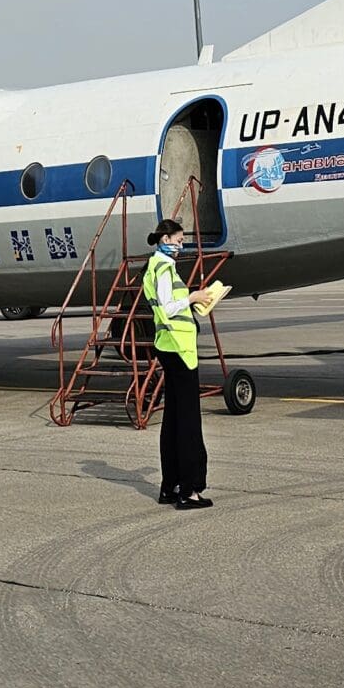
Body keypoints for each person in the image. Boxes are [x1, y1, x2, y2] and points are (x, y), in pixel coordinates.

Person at [142, 218, 210, 509]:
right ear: (165, 238)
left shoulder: (155, 266)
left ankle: (169, 487)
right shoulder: (164, 268)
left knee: (172, 420)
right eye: (179, 240)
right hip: (180, 351)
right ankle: (188, 490)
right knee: (188, 421)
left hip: (169, 347)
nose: (181, 246)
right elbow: (169, 308)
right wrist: (192, 297)